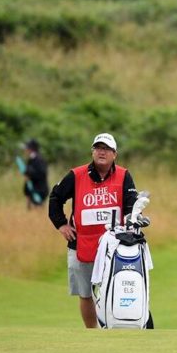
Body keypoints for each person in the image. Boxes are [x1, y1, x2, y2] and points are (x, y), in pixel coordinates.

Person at [48, 133, 139, 328]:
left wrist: (131, 224)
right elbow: (55, 198)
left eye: (106, 148)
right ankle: (93, 334)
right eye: (98, 148)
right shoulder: (76, 175)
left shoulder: (124, 175)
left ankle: (114, 326)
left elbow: (132, 205)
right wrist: (61, 224)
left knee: (113, 289)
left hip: (115, 244)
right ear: (92, 152)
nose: (101, 152)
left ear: (114, 154)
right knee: (86, 293)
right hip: (80, 243)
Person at [20, 139, 48, 209]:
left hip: (38, 191)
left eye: (26, 148)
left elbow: (42, 174)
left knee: (37, 213)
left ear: (31, 149)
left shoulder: (39, 160)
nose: (25, 150)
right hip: (32, 192)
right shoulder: (31, 159)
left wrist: (29, 173)